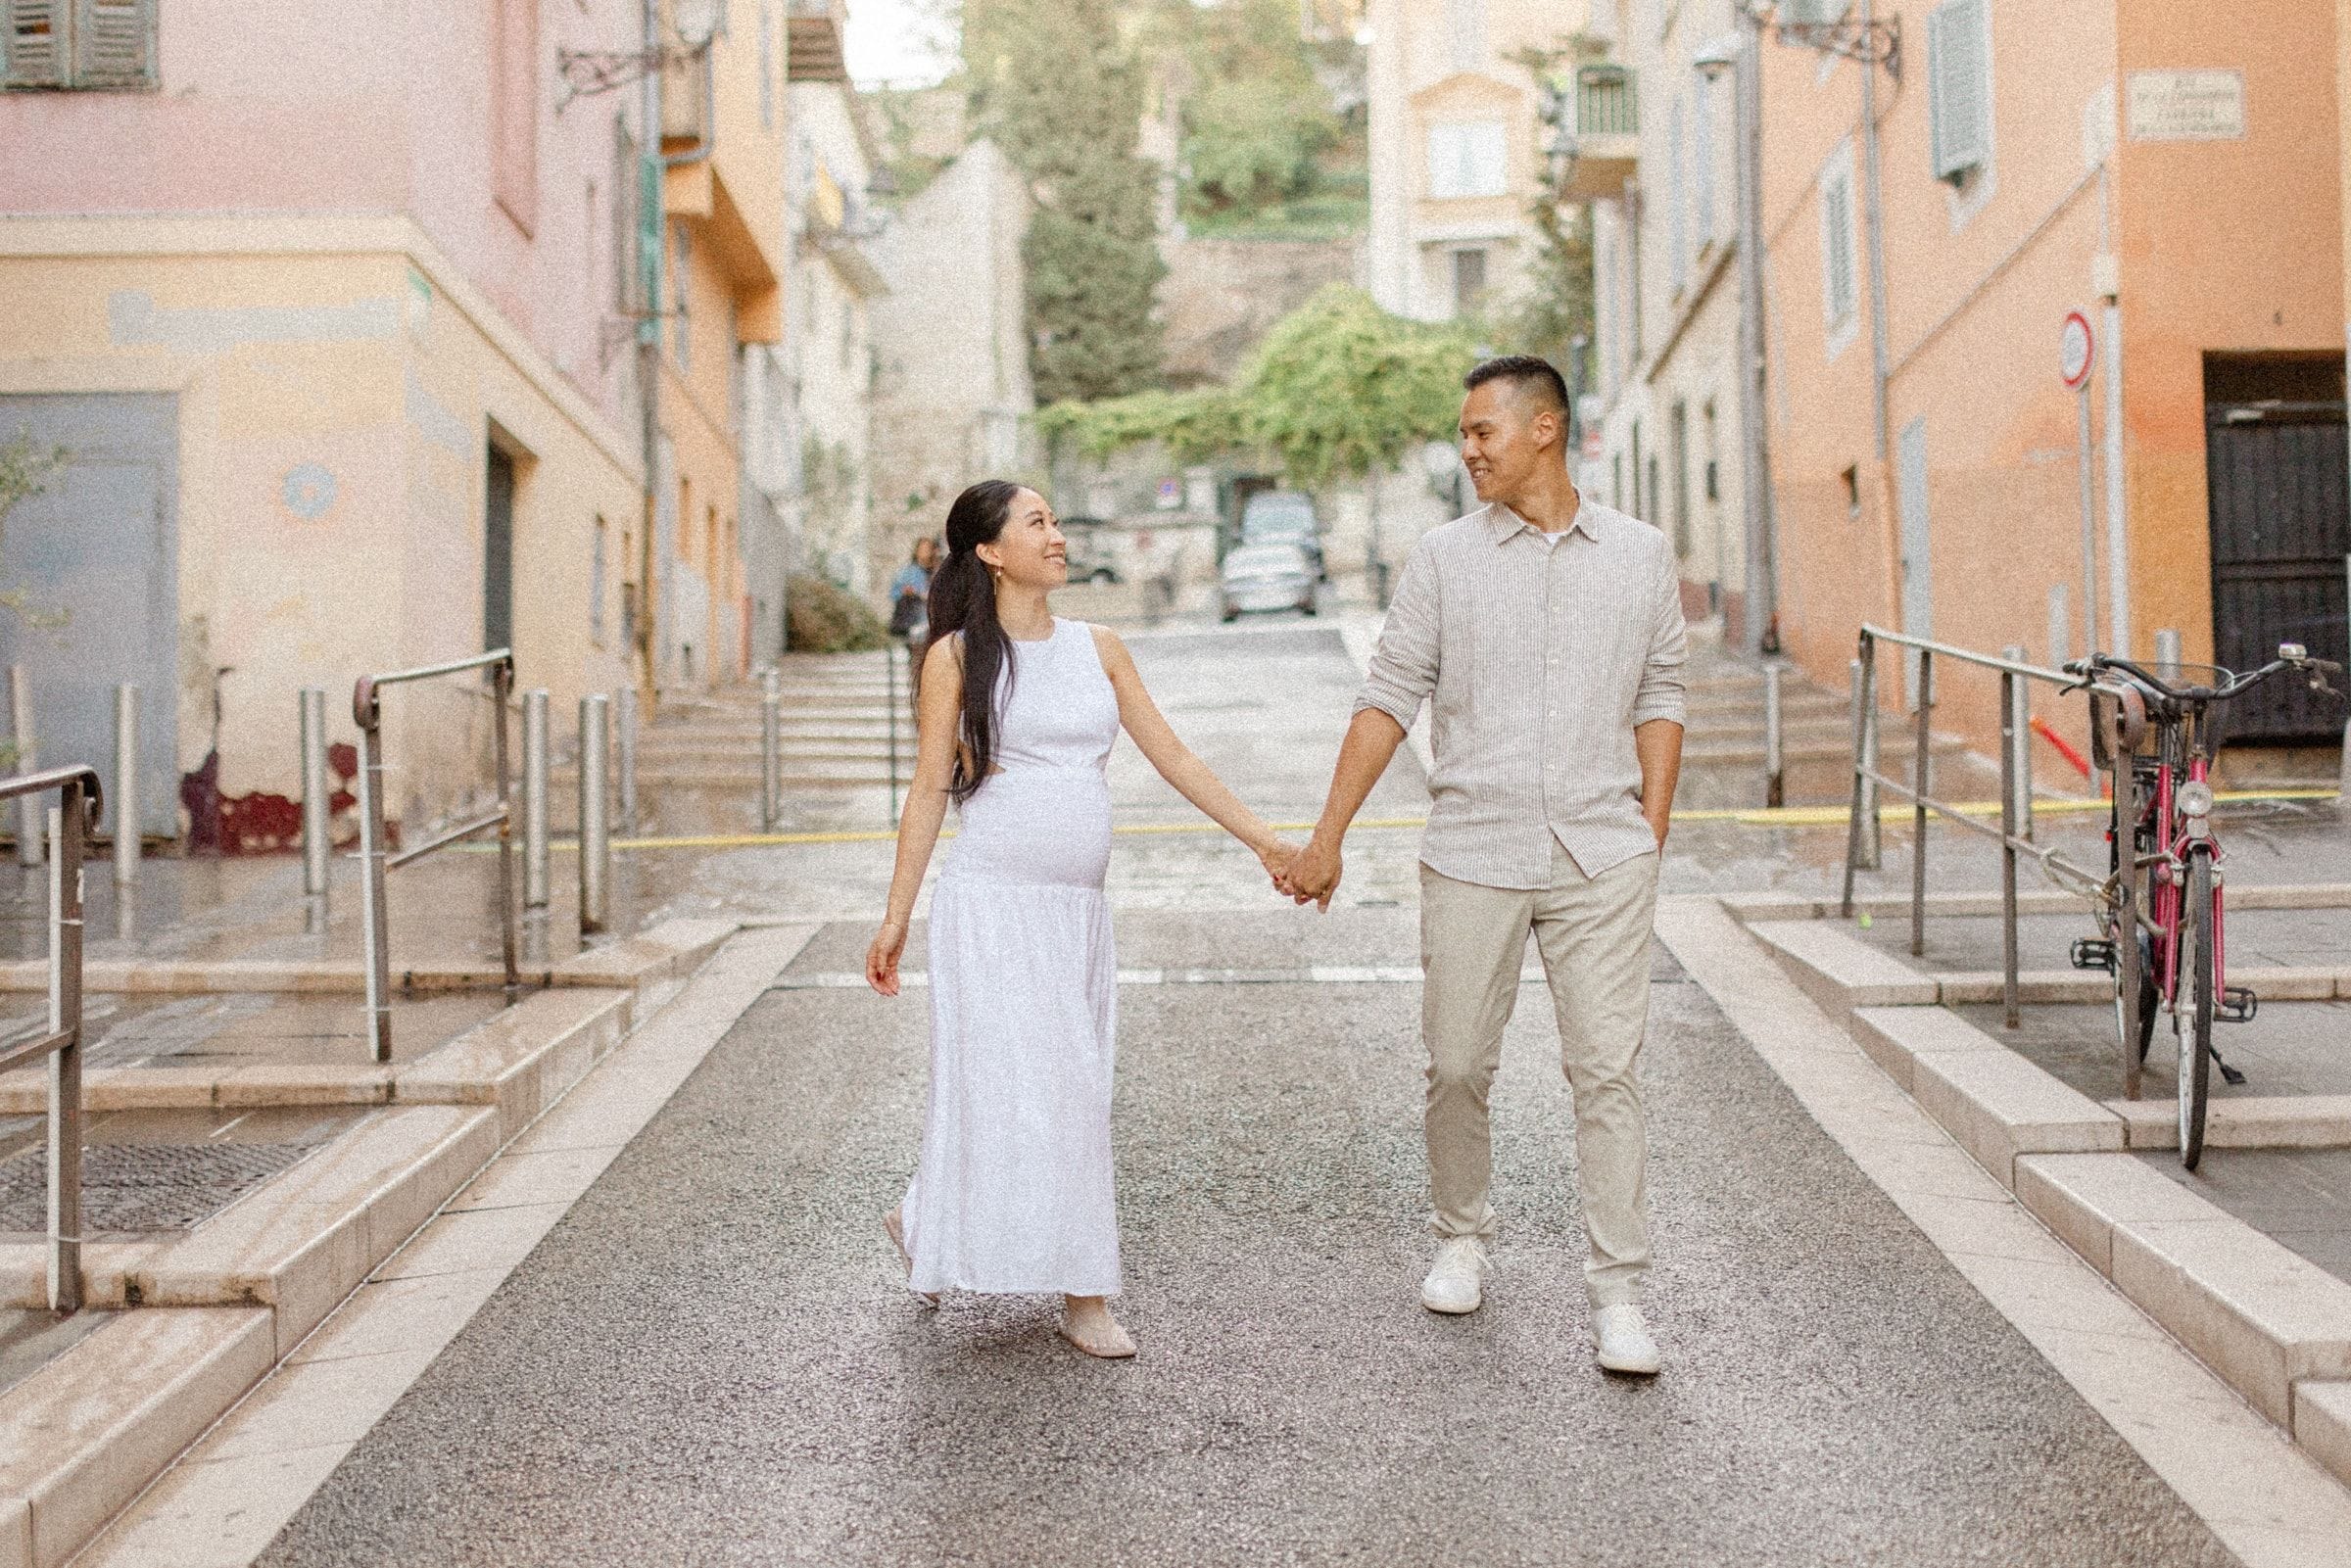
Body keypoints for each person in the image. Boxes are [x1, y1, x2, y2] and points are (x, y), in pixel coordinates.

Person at [1279, 356, 1687, 1377]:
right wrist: (1327, 835)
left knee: (1609, 1071)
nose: (1466, 451)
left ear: (1543, 428)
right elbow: (1388, 696)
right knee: (1458, 1060)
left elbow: (1663, 693)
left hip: (1603, 850)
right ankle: (1462, 1232)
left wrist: (1654, 828)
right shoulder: (1444, 560)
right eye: (1464, 435)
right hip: (1474, 847)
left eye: (1480, 433)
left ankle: (1619, 1291)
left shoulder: (1639, 555)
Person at [866, 480, 1294, 1358]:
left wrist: (1265, 840)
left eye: (1055, 521)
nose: (1057, 536)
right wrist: (895, 915)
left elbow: (1170, 753)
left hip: (1073, 916)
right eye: (1039, 523)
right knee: (1005, 1089)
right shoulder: (952, 658)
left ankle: (926, 1216)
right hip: (988, 907)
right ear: (990, 550)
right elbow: (926, 789)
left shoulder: (1099, 647)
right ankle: (1084, 1293)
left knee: (1072, 1088)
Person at [887, 537, 940, 641]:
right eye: (922, 549)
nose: (925, 552)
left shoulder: (939, 571)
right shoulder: (907, 572)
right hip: (914, 618)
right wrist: (907, 592)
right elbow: (894, 593)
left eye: (927, 549)